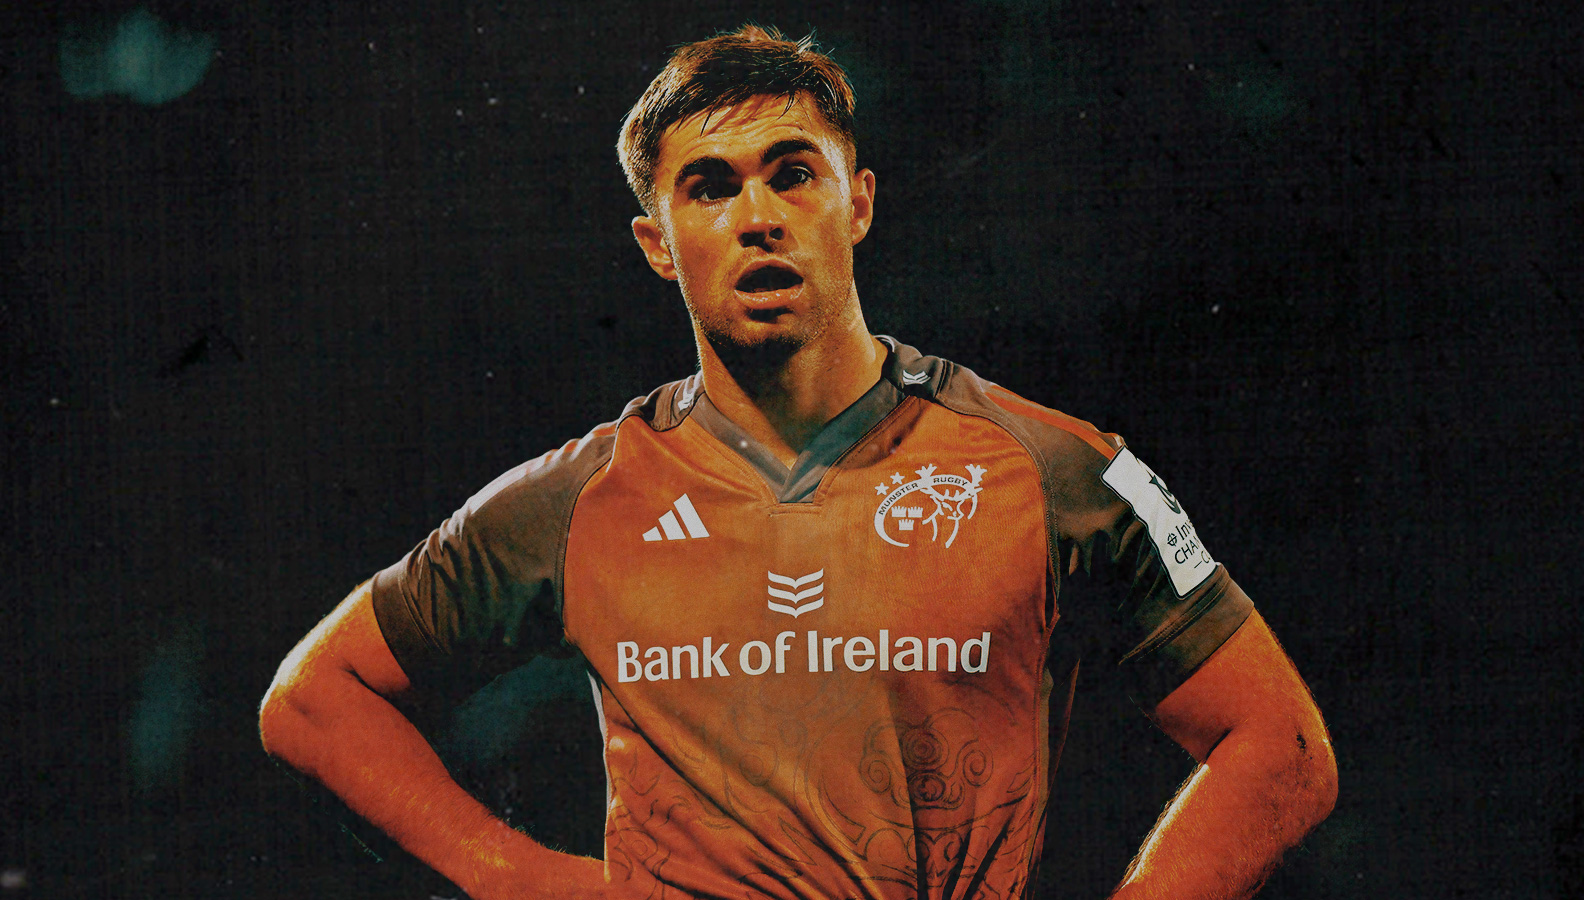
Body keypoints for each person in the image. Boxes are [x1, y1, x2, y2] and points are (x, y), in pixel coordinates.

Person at [259, 25, 1336, 900]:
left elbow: (1280, 743)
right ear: (656, 243)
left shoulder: (1052, 469)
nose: (759, 218)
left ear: (855, 203)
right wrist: (517, 878)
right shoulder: (579, 502)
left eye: (792, 175)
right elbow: (312, 699)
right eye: (709, 188)